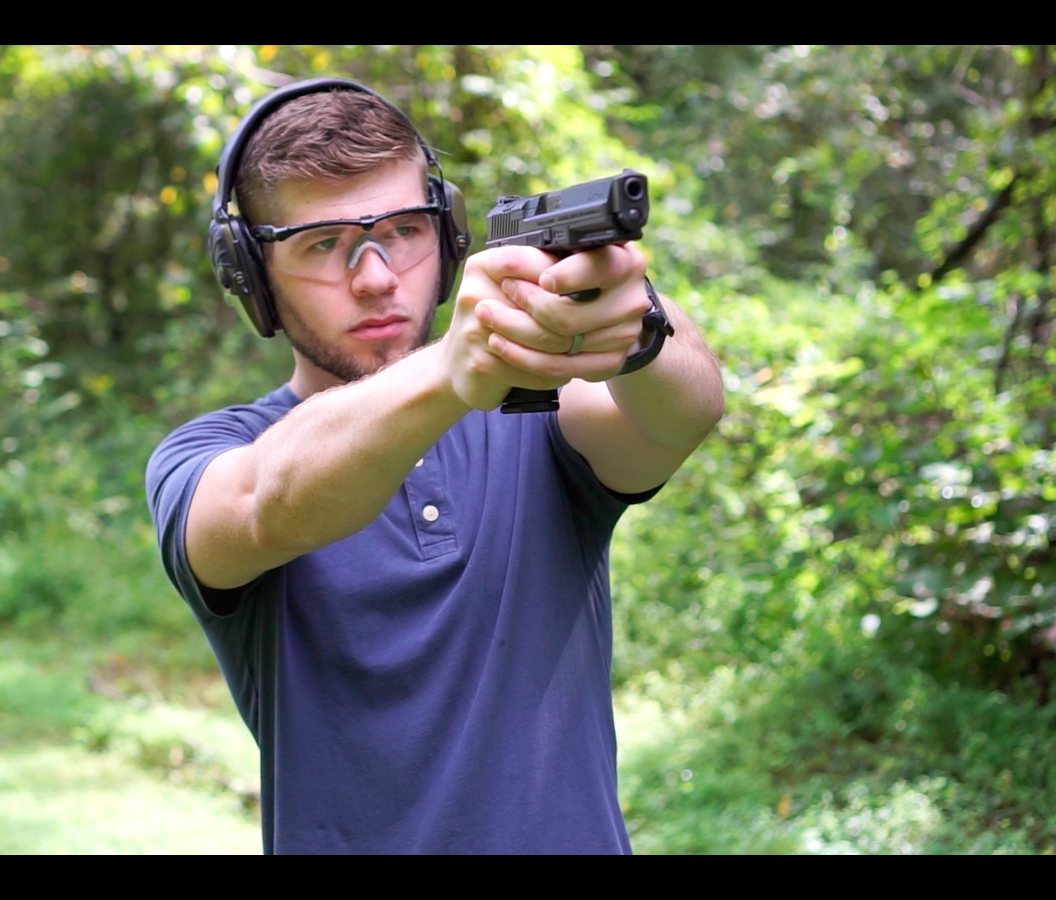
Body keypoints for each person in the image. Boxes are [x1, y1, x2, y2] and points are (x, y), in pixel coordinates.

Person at [146, 78, 725, 854]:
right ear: (254, 278)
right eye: (324, 244)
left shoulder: (542, 413)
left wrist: (634, 318)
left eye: (405, 230)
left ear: (448, 236)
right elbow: (266, 502)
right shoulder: (211, 455)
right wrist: (456, 365)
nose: (379, 275)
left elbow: (687, 412)